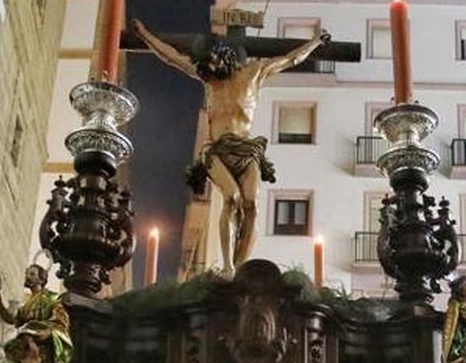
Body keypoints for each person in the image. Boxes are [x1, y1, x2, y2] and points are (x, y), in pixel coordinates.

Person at [132, 18, 330, 269]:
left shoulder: (255, 72)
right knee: (232, 198)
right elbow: (173, 57)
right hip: (217, 151)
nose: (209, 69)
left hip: (247, 150)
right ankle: (228, 266)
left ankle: (241, 267)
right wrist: (145, 35)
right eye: (206, 66)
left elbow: (290, 59)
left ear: (225, 56)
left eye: (213, 63)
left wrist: (314, 42)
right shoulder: (210, 80)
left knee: (252, 206)